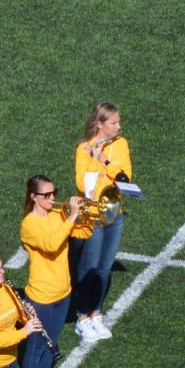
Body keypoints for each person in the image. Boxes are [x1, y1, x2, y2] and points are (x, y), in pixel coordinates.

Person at [17, 175, 83, 368]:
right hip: (41, 296)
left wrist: (84, 207)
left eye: (54, 192)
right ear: (33, 197)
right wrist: (73, 216)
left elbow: (83, 233)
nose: (52, 198)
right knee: (36, 348)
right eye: (46, 195)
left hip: (62, 293)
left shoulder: (58, 215)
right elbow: (52, 244)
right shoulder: (29, 224)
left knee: (50, 344)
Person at [71, 101, 130, 342]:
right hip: (93, 216)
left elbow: (126, 179)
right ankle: (82, 317)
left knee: (104, 270)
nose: (119, 126)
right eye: (114, 122)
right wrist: (94, 158)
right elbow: (85, 187)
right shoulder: (82, 149)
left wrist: (104, 160)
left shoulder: (121, 145)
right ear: (100, 124)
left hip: (114, 213)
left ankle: (96, 313)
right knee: (89, 268)